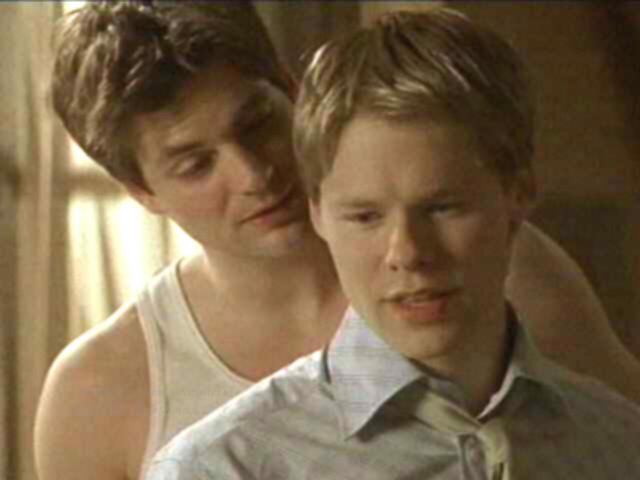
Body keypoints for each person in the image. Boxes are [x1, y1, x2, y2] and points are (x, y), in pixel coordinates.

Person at [35, 3, 640, 480]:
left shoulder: (508, 270)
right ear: (142, 192)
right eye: (196, 164)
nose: (254, 174)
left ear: (292, 91)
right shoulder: (101, 390)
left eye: (258, 123)